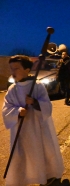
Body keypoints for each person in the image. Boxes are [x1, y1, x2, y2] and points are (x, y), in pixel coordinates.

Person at [2, 55, 64, 186]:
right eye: (11, 69)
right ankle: (22, 178)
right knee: (21, 155)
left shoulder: (38, 86)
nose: (13, 72)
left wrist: (35, 102)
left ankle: (46, 176)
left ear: (27, 69)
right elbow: (6, 108)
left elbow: (47, 105)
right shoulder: (13, 89)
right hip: (21, 130)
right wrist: (18, 112)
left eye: (16, 68)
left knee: (41, 152)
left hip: (37, 128)